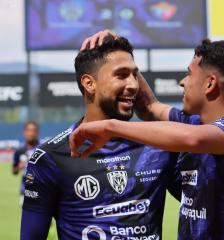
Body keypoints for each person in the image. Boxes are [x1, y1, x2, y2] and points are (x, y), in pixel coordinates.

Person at [71, 37, 224, 239]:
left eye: (189, 74)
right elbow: (148, 107)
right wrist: (118, 47)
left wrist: (109, 127)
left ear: (210, 84)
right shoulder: (193, 122)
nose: (183, 81)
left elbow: (193, 139)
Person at [21, 36, 182, 240]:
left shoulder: (157, 145)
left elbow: (201, 203)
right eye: (122, 75)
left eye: (135, 75)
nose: (134, 85)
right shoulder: (50, 157)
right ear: (89, 83)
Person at [12, 121, 39, 206]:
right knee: (27, 217)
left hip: (42, 189)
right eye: (28, 130)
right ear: (24, 132)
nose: (31, 133)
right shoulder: (19, 151)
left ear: (37, 132)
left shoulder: (42, 148)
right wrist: (18, 167)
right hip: (25, 189)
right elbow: (14, 171)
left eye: (33, 130)